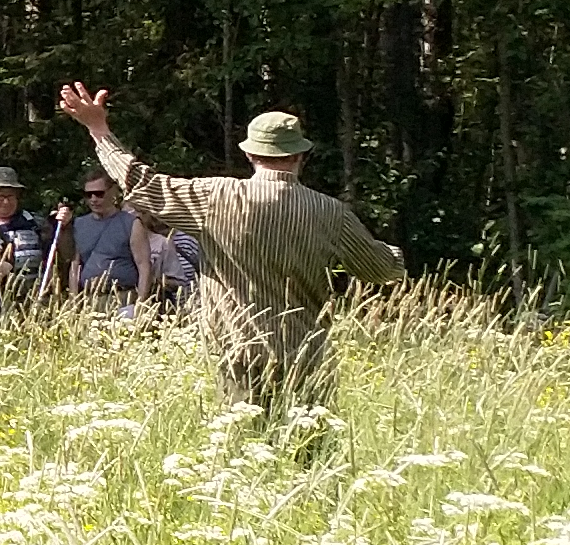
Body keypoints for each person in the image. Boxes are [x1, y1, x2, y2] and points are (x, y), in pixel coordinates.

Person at [56, 86, 406, 414]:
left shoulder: (215, 197)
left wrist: (99, 130)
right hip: (307, 355)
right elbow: (380, 270)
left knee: (245, 456)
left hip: (238, 352)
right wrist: (396, 259)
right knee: (309, 462)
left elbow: (143, 184)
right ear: (301, 155)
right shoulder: (332, 213)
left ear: (250, 154)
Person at [55, 167, 150, 303]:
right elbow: (75, 264)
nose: (93, 199)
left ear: (113, 193)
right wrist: (73, 300)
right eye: (88, 195)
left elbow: (144, 265)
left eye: (99, 194)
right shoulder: (79, 224)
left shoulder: (132, 223)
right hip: (89, 298)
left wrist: (141, 303)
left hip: (123, 296)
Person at [0, 165, 54, 305]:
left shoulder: (36, 223)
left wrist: (64, 229)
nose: (6, 202)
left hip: (35, 304)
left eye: (11, 196)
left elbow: (57, 259)